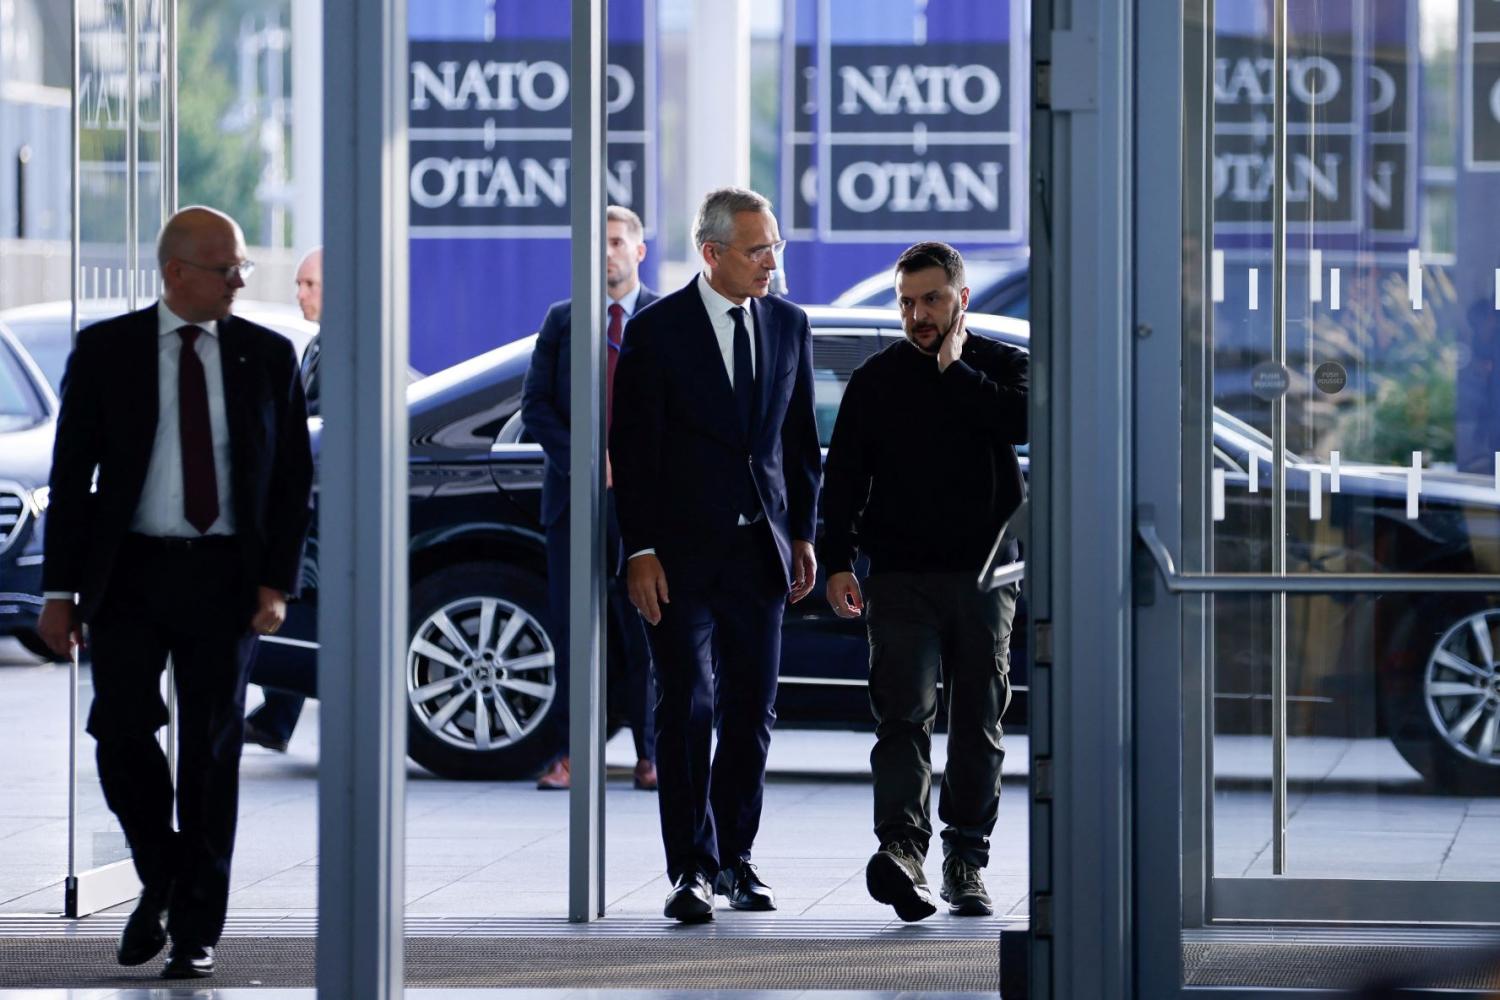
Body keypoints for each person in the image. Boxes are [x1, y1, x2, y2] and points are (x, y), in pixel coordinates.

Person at [37, 207, 315, 978]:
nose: (238, 280)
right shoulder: (106, 351)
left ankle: (195, 929)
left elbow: (293, 481)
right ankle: (162, 874)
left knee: (212, 749)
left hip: (226, 578)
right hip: (127, 573)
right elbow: (70, 481)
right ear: (175, 274)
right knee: (120, 733)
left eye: (241, 267)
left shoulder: (266, 355)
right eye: (224, 268)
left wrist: (275, 583)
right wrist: (59, 593)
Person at [609, 187, 821, 922]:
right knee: (687, 705)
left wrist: (802, 535)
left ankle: (737, 859)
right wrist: (638, 548)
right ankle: (688, 870)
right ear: (712, 253)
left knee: (750, 708)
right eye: (758, 250)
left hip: (759, 554)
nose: (772, 262)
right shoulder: (659, 331)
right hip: (675, 555)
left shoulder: (790, 325)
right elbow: (631, 453)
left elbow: (798, 447)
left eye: (776, 247)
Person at [819, 241, 1027, 922]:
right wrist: (839, 560)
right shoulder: (877, 380)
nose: (917, 315)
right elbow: (844, 477)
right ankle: (902, 854)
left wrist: (955, 369)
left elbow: (1023, 423)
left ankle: (966, 858)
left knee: (978, 720)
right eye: (907, 303)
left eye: (932, 300)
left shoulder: (1002, 367)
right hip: (900, 576)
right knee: (901, 716)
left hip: (985, 573)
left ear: (961, 299)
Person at [520, 205, 659, 792]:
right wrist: (584, 459)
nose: (606, 252)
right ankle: (575, 755)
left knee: (645, 629)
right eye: (595, 243)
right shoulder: (563, 319)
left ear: (638, 250)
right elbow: (536, 407)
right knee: (575, 633)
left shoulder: (663, 318)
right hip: (573, 502)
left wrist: (630, 463)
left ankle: (652, 755)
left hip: (644, 506)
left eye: (616, 242)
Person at [243, 245, 322, 753]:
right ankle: (276, 717)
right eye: (298, 284)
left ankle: (277, 716)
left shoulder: (347, 345)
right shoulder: (319, 345)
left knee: (298, 604)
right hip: (311, 503)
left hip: (321, 508)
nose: (299, 294)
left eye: (309, 285)